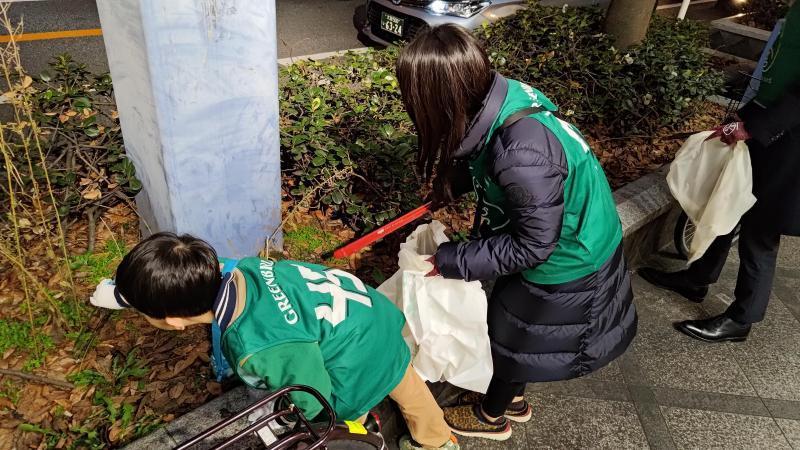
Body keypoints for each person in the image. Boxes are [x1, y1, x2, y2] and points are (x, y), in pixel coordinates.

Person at [395, 24, 637, 441]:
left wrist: (452, 262)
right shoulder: (504, 99)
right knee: (517, 328)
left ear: (444, 98)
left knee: (513, 337)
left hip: (571, 256)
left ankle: (493, 416)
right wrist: (453, 185)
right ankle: (513, 400)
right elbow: (487, 155)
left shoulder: (522, 151)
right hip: (578, 232)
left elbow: (533, 244)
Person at [92, 232, 459, 450]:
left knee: (345, 422)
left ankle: (367, 432)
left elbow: (311, 392)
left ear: (172, 321)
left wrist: (317, 423)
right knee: (407, 388)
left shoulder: (258, 346)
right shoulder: (247, 269)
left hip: (355, 368)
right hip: (377, 326)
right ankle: (438, 440)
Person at [638, 2, 800, 343]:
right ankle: (697, 277)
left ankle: (742, 318)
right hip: (768, 121)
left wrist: (757, 125)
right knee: (725, 200)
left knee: (760, 230)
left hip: (789, 141)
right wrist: (744, 116)